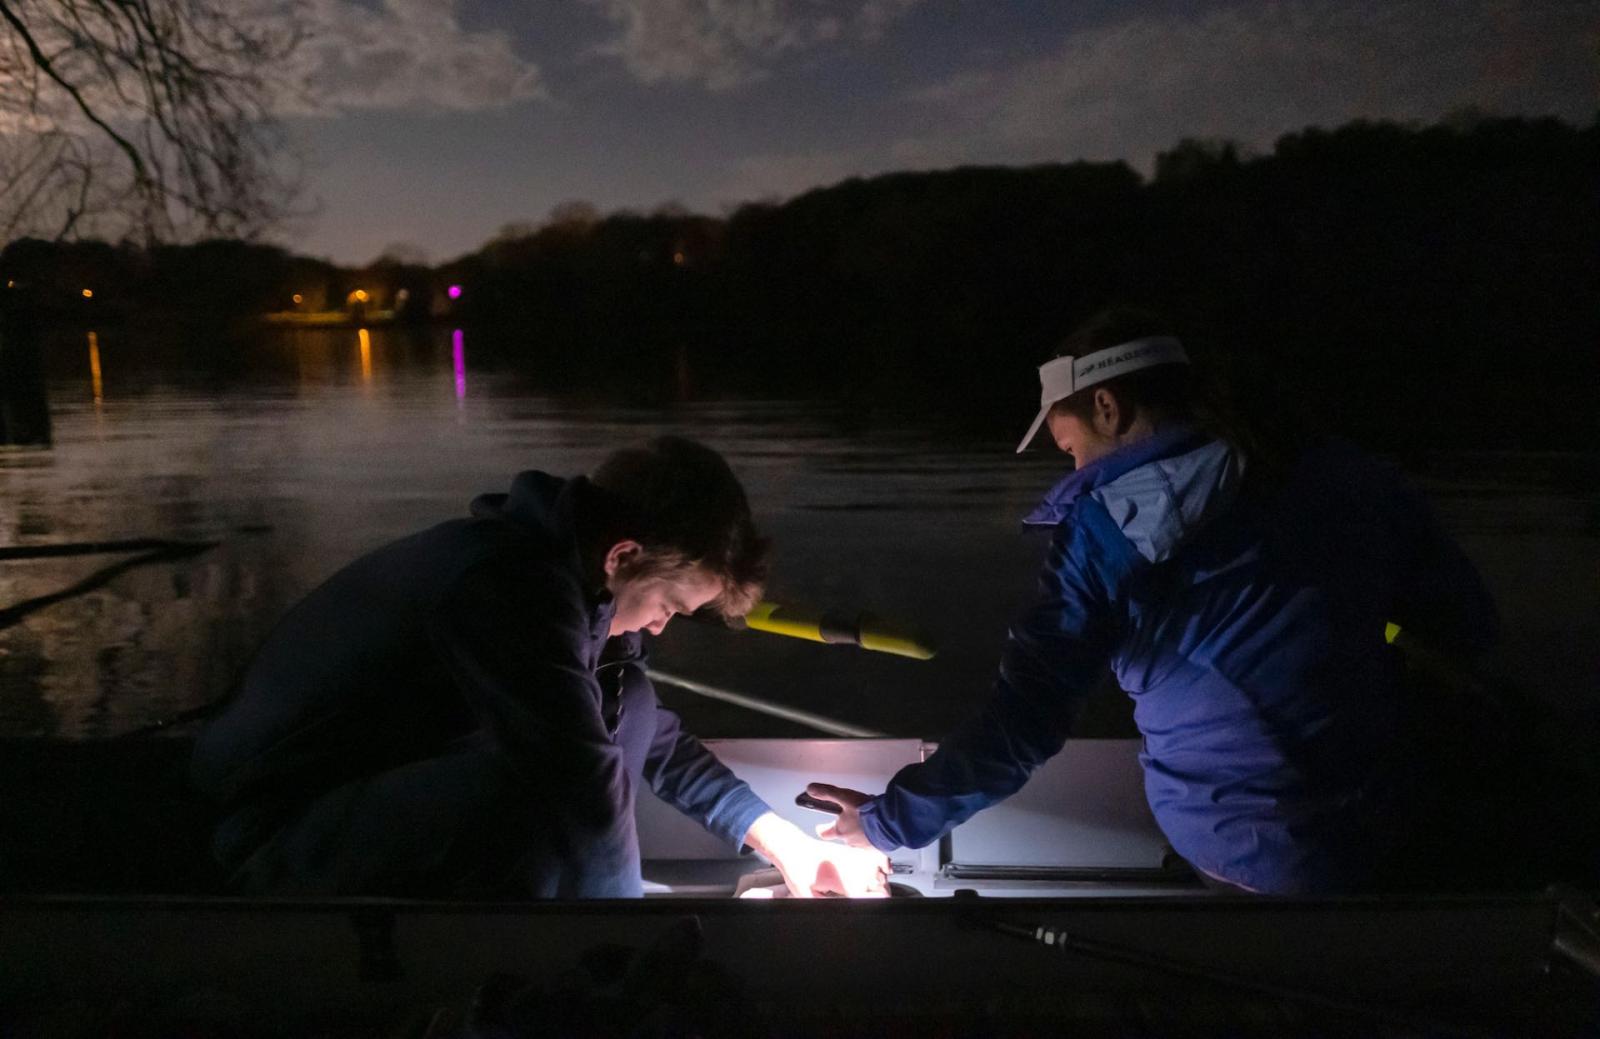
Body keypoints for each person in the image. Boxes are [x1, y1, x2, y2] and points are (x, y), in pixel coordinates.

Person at [806, 310, 1499, 894]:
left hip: (1250, 856)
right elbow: (1467, 624)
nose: (1075, 471)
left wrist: (884, 823)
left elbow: (1023, 726)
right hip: (1386, 831)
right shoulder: (1350, 475)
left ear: (1108, 406)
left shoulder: (1104, 533)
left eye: (1071, 448)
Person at [191, 436, 889, 899]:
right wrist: (625, 946)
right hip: (271, 832)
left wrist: (780, 839)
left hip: (376, 791)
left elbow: (655, 739)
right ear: (621, 556)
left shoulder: (570, 579)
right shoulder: (504, 587)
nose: (661, 625)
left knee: (633, 698)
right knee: (541, 793)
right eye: (669, 603)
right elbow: (577, 788)